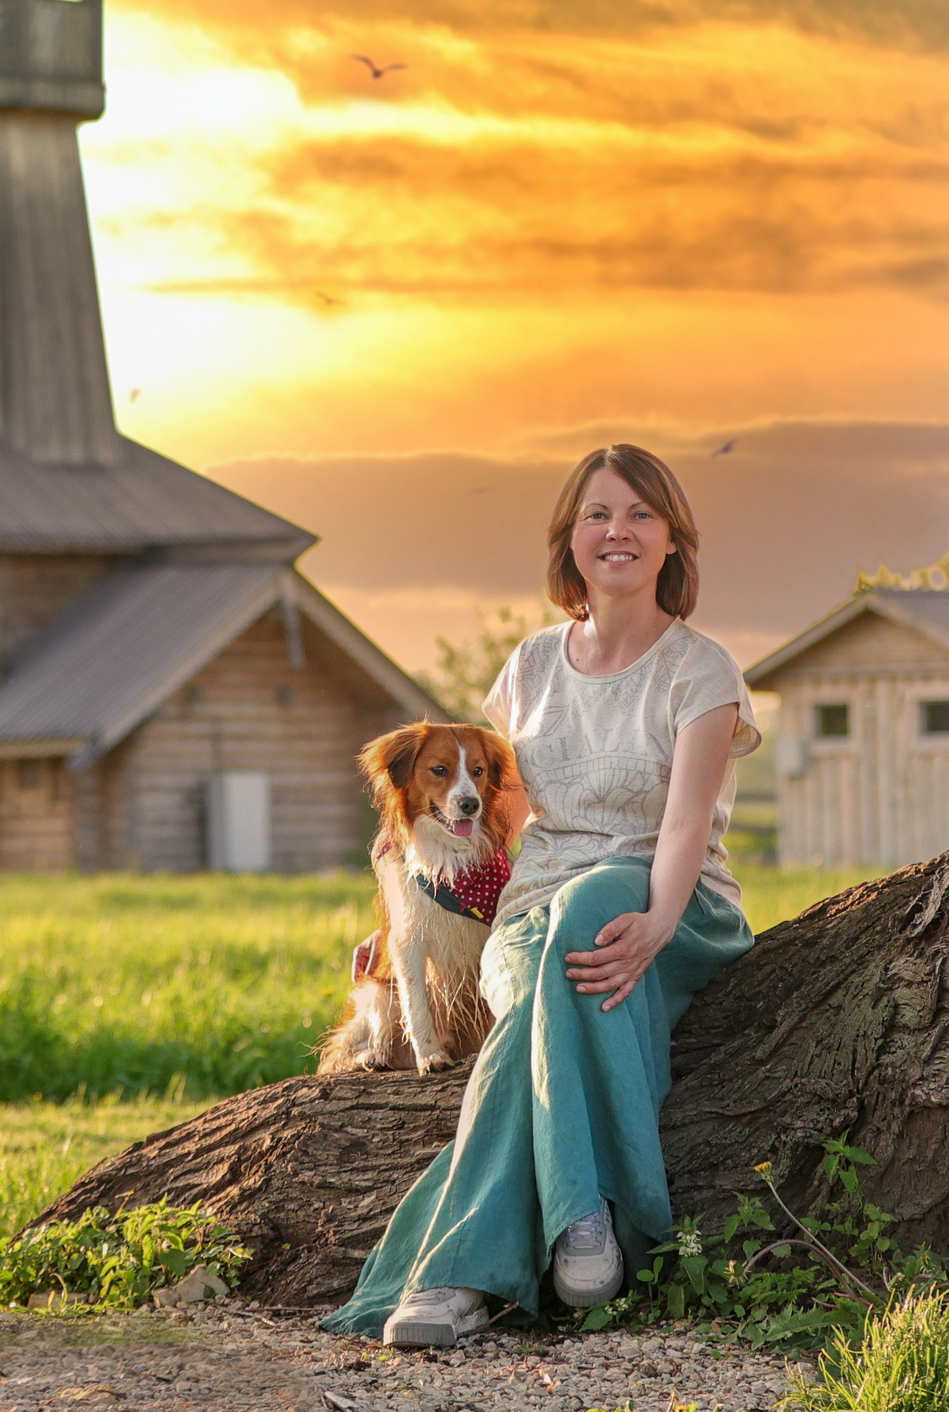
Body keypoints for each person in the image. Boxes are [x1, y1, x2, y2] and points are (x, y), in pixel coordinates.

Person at [323, 443, 760, 1348]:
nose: (619, 532)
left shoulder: (702, 673)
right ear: (570, 541)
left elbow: (682, 828)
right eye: (598, 515)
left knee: (593, 895)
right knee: (543, 970)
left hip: (672, 907)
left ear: (673, 539)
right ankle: (584, 1220)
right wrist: (410, 905)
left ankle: (458, 1277)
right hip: (535, 918)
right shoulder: (529, 668)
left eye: (640, 514)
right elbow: (495, 822)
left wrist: (657, 923)